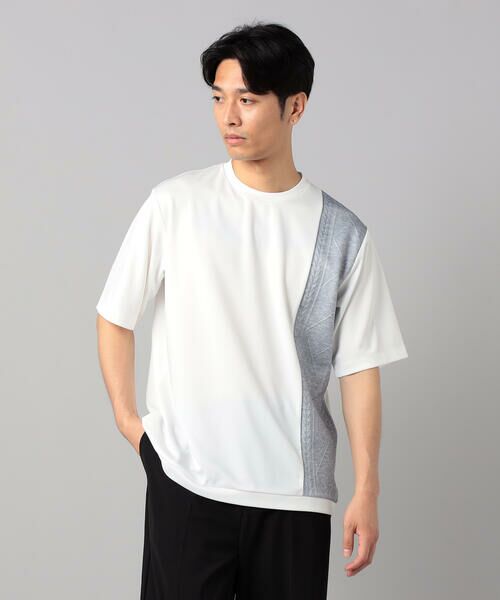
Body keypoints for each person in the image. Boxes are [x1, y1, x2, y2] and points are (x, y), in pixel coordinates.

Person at [96, 21, 408, 600]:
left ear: (295, 107)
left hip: (294, 495)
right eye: (218, 98)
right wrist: (131, 425)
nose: (228, 117)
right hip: (187, 479)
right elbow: (115, 315)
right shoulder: (177, 204)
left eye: (247, 99)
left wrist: (367, 488)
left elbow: (360, 366)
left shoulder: (342, 234)